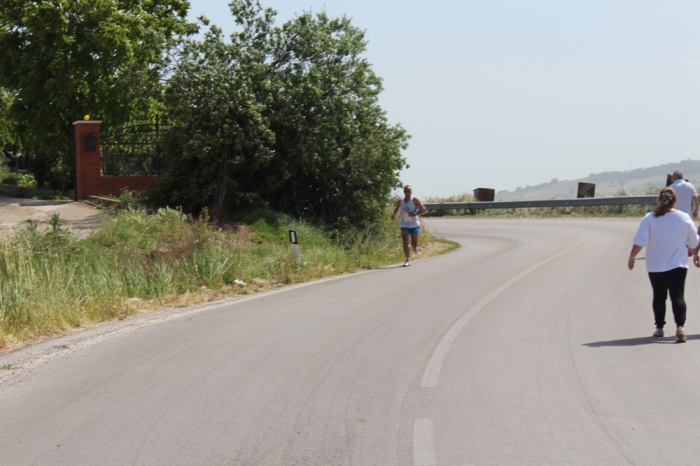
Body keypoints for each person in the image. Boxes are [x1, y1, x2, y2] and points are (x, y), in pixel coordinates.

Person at [628, 187, 699, 342]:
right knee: (678, 296)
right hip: (678, 265)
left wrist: (632, 255)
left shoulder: (650, 218)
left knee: (659, 296)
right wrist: (693, 252)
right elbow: (694, 241)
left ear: (659, 199)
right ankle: (680, 327)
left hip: (655, 265)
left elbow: (640, 239)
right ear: (676, 201)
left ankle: (659, 328)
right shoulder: (684, 217)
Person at [391, 185, 427, 267]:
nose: (407, 193)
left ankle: (414, 246)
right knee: (404, 241)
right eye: (405, 191)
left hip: (414, 224)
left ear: (411, 192)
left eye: (408, 191)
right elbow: (397, 208)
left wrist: (414, 214)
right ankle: (407, 259)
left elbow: (423, 209)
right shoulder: (400, 201)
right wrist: (394, 215)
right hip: (404, 224)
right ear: (404, 192)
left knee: (414, 244)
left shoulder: (414, 200)